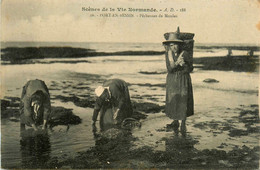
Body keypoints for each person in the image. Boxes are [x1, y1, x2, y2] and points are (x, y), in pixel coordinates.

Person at [163, 30, 194, 135]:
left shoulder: (185, 53)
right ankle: (175, 121)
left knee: (183, 99)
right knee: (174, 99)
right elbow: (169, 69)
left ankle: (183, 122)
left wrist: (184, 65)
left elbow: (190, 68)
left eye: (176, 44)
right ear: (169, 46)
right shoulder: (168, 54)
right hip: (172, 79)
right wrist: (177, 63)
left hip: (183, 79)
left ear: (180, 45)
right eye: (171, 45)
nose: (174, 47)